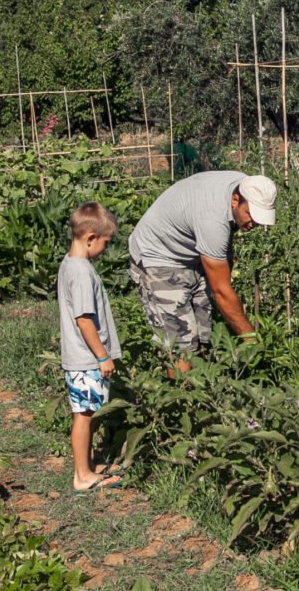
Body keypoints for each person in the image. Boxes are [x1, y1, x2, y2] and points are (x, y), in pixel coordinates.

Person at [128, 172, 276, 367]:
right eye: (251, 215)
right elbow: (221, 292)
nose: (254, 223)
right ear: (235, 200)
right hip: (158, 256)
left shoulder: (246, 184)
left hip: (193, 253)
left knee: (203, 331)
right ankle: (180, 393)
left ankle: (202, 387)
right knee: (180, 341)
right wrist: (250, 340)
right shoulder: (211, 220)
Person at [58, 201, 123, 493]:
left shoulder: (69, 264)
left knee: (88, 411)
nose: (105, 250)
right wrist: (102, 355)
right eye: (105, 243)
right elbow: (84, 320)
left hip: (82, 358)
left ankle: (88, 464)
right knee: (83, 415)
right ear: (90, 238)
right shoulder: (82, 272)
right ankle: (82, 475)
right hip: (87, 359)